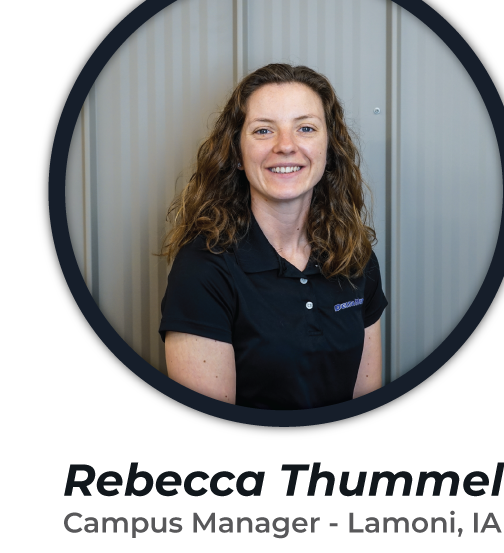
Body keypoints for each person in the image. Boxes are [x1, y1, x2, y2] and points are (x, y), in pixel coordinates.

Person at [158, 63, 387, 410]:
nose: (286, 146)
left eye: (306, 128)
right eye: (264, 131)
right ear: (236, 153)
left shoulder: (354, 255)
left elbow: (365, 397)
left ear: (329, 151)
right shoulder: (203, 271)